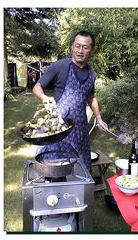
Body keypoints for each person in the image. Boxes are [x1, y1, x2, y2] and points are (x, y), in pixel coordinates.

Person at [33, 30, 108, 172]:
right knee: (55, 166)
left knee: (82, 167)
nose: (80, 51)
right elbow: (37, 87)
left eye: (85, 47)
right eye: (77, 46)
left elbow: (91, 96)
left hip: (80, 129)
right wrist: (44, 98)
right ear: (72, 47)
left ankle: (79, 192)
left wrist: (99, 118)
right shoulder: (59, 67)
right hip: (59, 127)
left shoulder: (91, 74)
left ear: (92, 49)